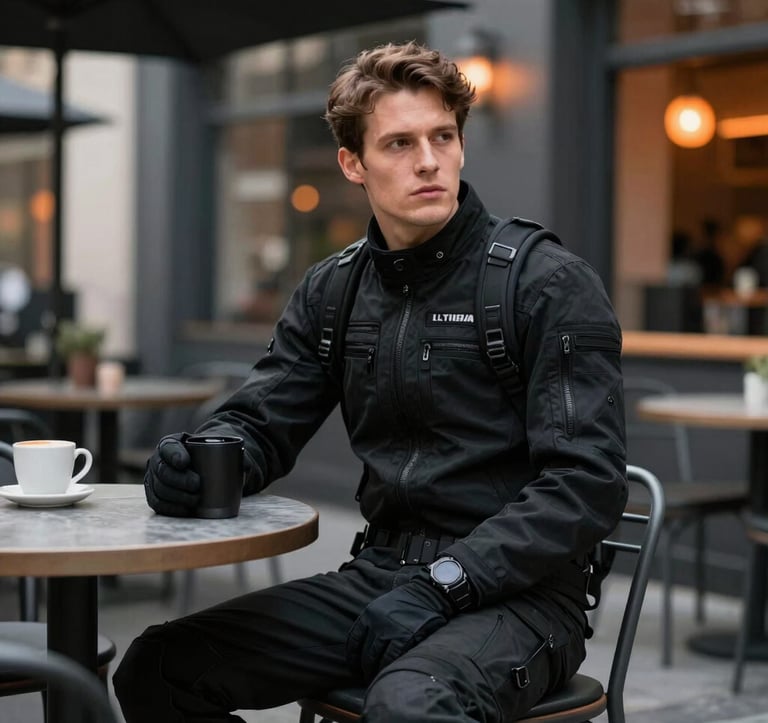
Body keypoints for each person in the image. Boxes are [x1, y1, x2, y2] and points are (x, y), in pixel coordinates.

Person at [113, 41, 626, 722]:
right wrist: (199, 459)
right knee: (159, 666)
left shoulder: (545, 283)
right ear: (352, 163)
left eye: (444, 136)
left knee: (410, 703)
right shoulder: (335, 289)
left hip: (522, 595)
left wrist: (449, 582)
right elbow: (264, 420)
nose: (428, 160)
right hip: (382, 575)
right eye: (399, 143)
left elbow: (585, 485)